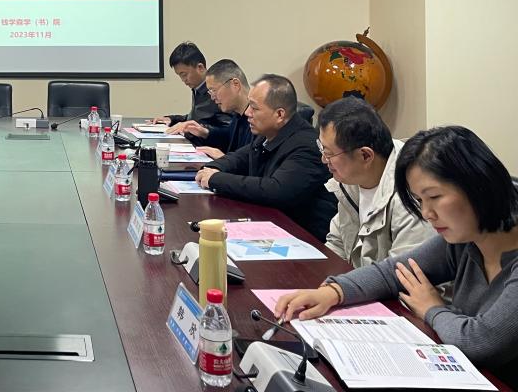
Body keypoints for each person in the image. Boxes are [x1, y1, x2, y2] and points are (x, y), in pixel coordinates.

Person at [275, 126, 518, 386]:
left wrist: (433, 308)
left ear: (478, 185)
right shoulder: (466, 236)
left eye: (434, 197)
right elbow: (392, 272)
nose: (427, 213)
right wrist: (333, 292)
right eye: (420, 200)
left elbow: (479, 342)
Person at [194, 74, 336, 241]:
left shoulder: (307, 145)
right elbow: (239, 158)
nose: (247, 112)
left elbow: (276, 190)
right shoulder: (269, 133)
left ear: (280, 114)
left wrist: (215, 179)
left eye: (254, 108)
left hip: (303, 239)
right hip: (271, 226)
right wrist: (212, 168)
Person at [319, 97, 434, 267]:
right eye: (322, 149)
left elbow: (400, 274)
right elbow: (337, 245)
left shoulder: (412, 197)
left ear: (365, 155)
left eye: (329, 153)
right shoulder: (350, 181)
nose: (323, 159)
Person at [151, 41, 231, 139]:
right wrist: (172, 119)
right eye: (180, 75)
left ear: (200, 67)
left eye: (184, 74)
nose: (183, 80)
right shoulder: (198, 88)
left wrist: (201, 130)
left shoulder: (216, 92)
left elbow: (229, 130)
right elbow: (195, 118)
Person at [180, 58, 253, 157]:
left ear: (235, 85)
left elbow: (252, 163)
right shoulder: (238, 115)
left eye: (214, 90)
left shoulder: (258, 120)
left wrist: (224, 159)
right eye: (210, 92)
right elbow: (227, 137)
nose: (212, 97)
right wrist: (204, 132)